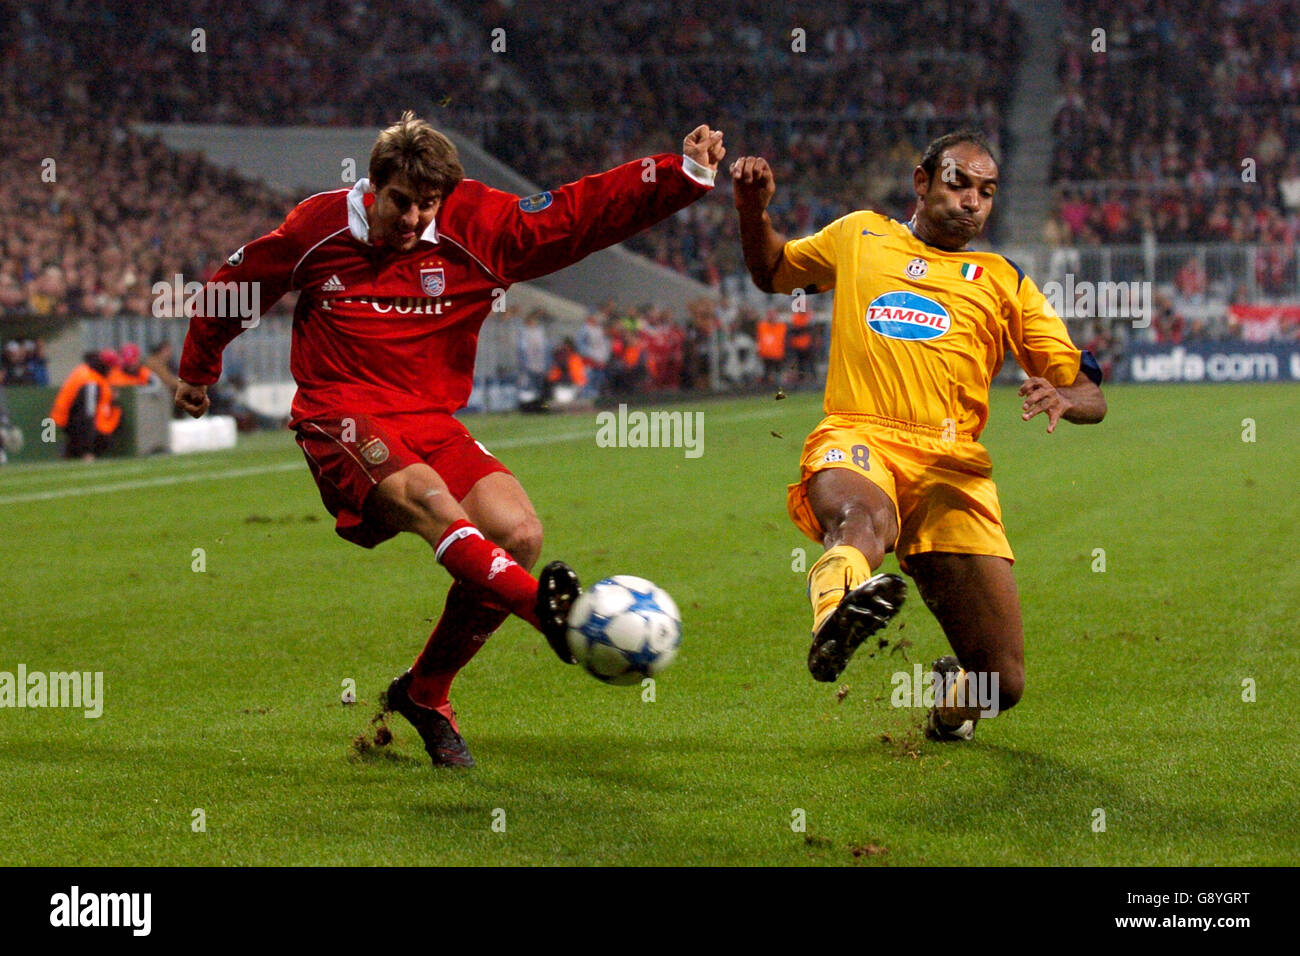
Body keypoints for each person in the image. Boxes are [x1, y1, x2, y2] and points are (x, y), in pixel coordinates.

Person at [176, 111, 725, 768]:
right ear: (373, 187)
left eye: (426, 206)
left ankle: (424, 693)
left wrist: (680, 174)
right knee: (436, 505)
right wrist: (196, 372)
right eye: (400, 203)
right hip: (340, 411)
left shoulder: (479, 227)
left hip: (432, 420)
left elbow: (581, 215)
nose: (411, 220)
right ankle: (558, 617)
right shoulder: (316, 229)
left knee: (519, 534)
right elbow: (235, 287)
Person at [731, 129, 1106, 741]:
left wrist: (1066, 395)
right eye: (959, 183)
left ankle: (949, 705)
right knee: (859, 518)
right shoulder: (860, 234)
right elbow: (772, 269)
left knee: (1001, 684)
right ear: (922, 182)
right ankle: (834, 618)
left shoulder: (1002, 279)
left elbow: (1092, 394)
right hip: (861, 435)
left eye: (986, 193)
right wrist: (753, 211)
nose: (972, 202)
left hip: (952, 468)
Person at [49, 349, 123, 460]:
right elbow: (86, 415)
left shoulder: (88, 372)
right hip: (72, 419)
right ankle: (78, 453)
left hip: (72, 417)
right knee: (99, 439)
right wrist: (88, 449)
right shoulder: (90, 382)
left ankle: (74, 451)